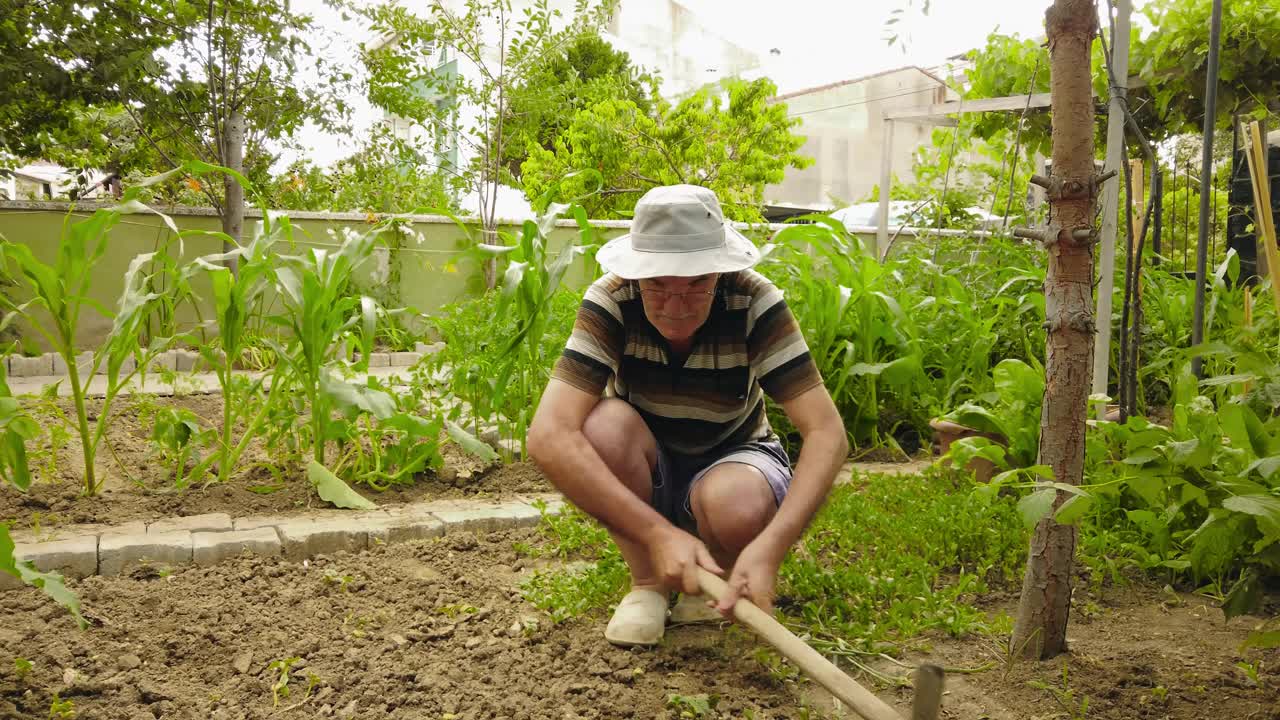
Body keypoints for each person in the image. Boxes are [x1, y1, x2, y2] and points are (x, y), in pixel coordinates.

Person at [526, 184, 848, 647]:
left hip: (735, 453)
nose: (677, 307)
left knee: (734, 504)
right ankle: (648, 583)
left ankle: (719, 571)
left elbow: (827, 433)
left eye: (697, 283)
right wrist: (656, 533)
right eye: (658, 284)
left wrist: (772, 547)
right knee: (603, 427)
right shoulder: (612, 300)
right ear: (638, 275)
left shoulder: (755, 302)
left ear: (719, 270)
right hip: (646, 457)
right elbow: (549, 435)